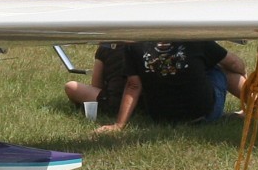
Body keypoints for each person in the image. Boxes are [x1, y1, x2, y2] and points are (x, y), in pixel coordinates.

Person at [97, 40, 246, 133]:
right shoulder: (196, 39)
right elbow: (235, 63)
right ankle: (256, 106)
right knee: (221, 69)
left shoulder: (133, 45)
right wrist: (243, 73)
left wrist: (119, 125)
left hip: (160, 117)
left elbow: (133, 86)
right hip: (202, 114)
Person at [63, 42, 130, 119]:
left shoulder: (106, 48)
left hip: (114, 103)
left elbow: (96, 85)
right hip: (142, 101)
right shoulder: (142, 48)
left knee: (71, 86)